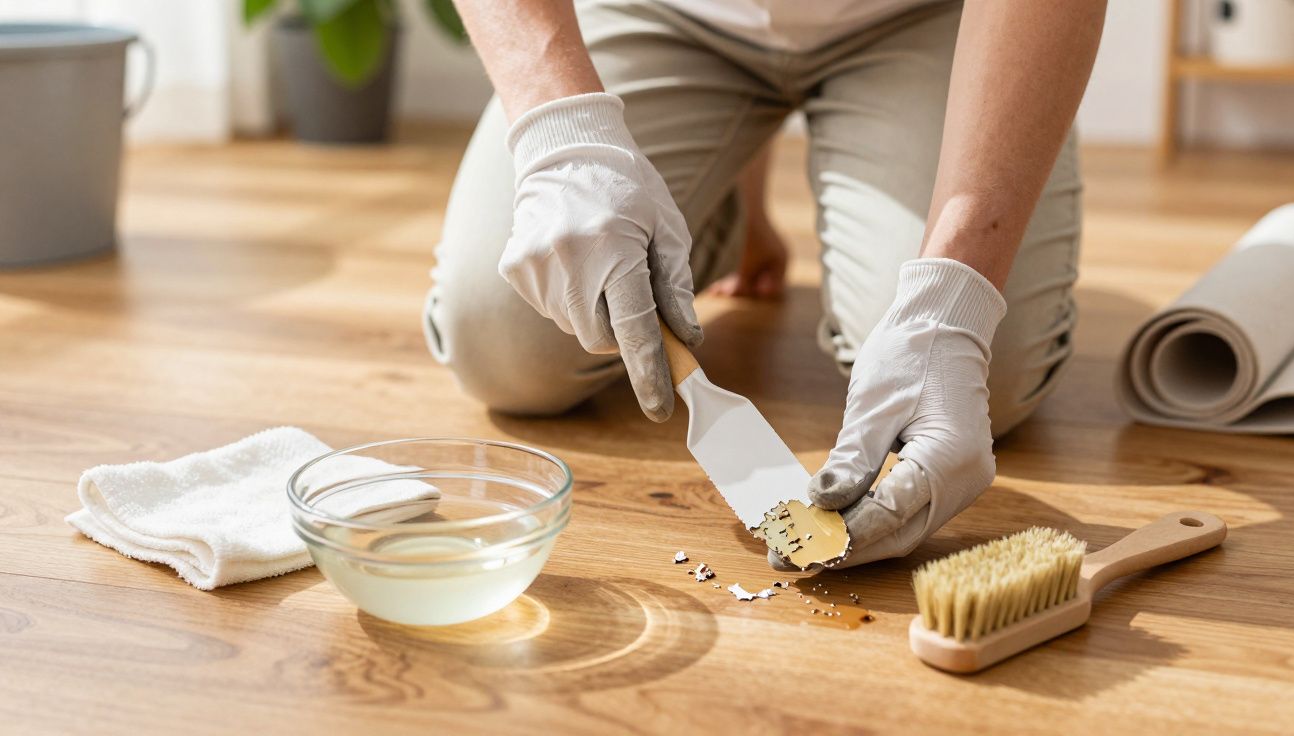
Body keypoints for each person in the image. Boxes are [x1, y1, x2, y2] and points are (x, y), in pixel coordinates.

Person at [423, 0, 1106, 570]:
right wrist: (564, 138)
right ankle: (702, 217)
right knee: (502, 338)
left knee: (991, 376)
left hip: (930, 19)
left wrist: (953, 297)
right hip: (664, 10)